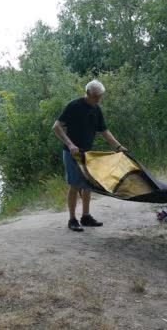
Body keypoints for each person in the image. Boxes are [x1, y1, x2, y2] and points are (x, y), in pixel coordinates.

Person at [52, 80, 127, 232]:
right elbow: (56, 127)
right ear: (87, 94)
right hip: (71, 153)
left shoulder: (96, 109)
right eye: (96, 97)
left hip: (88, 154)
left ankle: (85, 217)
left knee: (88, 185)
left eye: (100, 97)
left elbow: (105, 131)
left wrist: (118, 147)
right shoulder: (73, 106)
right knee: (75, 184)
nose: (98, 100)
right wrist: (70, 144)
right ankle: (72, 219)